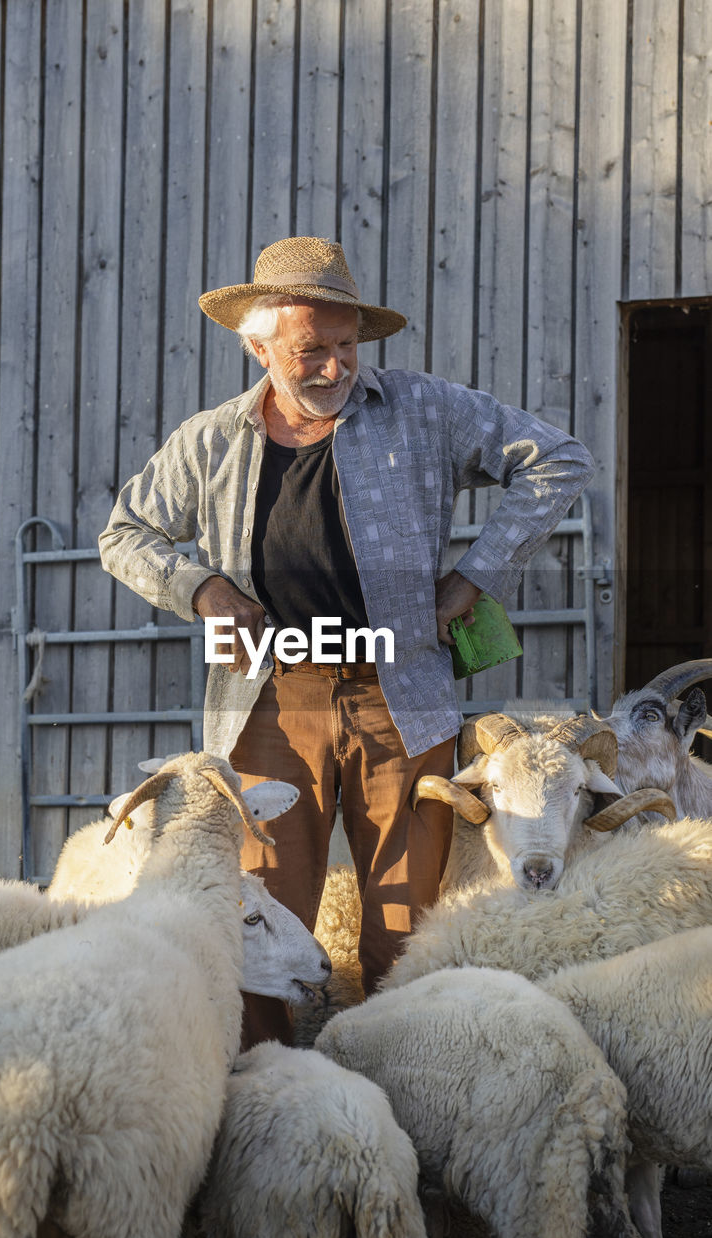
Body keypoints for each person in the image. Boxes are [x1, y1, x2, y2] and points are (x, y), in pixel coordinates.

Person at [99, 236, 594, 1045]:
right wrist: (203, 587)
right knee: (265, 908)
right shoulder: (212, 440)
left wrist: (474, 576)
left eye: (345, 346)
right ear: (258, 347)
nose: (333, 367)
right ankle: (270, 1089)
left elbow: (557, 459)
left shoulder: (421, 408)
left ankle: (395, 1088)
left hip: (397, 695)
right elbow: (124, 533)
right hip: (269, 698)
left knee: (405, 916)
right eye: (309, 350)